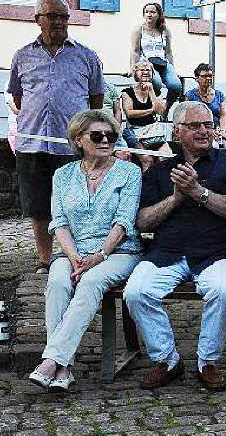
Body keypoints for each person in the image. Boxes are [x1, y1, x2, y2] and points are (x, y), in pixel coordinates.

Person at [123, 101, 226, 391]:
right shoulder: (159, 170)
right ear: (178, 132)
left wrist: (198, 192)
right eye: (195, 126)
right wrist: (177, 198)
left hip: (217, 251)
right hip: (167, 252)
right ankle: (167, 360)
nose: (204, 131)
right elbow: (142, 221)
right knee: (136, 292)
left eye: (208, 124)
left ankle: (208, 361)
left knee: (225, 290)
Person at [27, 110, 142, 391]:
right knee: (56, 281)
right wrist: (73, 256)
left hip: (118, 251)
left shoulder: (130, 172)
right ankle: (64, 366)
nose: (105, 140)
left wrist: (99, 256)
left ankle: (51, 360)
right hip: (74, 251)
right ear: (78, 140)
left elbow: (124, 221)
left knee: (91, 280)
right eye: (97, 135)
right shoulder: (62, 175)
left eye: (111, 135)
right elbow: (60, 222)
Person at [7, 0, 105, 272]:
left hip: (71, 147)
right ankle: (45, 260)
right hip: (33, 142)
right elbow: (17, 97)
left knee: (75, 205)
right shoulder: (23, 55)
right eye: (52, 16)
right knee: (37, 206)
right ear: (38, 19)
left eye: (64, 16)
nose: (59, 22)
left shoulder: (86, 56)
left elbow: (96, 100)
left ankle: (75, 257)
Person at [129, 2, 182, 110]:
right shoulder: (139, 29)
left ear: (158, 14)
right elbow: (135, 51)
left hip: (163, 62)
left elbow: (168, 52)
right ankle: (155, 107)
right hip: (147, 63)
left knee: (176, 85)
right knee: (156, 83)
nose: (149, 14)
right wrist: (133, 69)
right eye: (146, 12)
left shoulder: (165, 30)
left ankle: (165, 109)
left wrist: (173, 69)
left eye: (152, 12)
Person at [183, 64, 226, 147]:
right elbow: (187, 117)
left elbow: (223, 115)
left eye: (210, 76)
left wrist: (223, 131)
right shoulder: (190, 95)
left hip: (217, 130)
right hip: (198, 130)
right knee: (213, 146)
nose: (208, 79)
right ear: (197, 78)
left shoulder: (219, 95)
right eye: (205, 76)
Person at [121, 60, 167, 144]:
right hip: (135, 130)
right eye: (142, 70)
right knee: (147, 157)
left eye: (148, 70)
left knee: (164, 156)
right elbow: (129, 113)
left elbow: (160, 111)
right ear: (135, 73)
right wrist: (150, 111)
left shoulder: (156, 91)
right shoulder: (127, 92)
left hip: (153, 130)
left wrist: (151, 91)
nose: (145, 72)